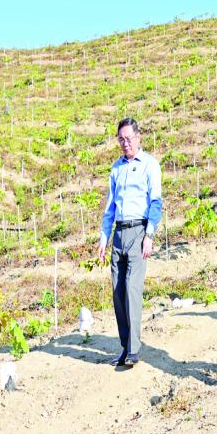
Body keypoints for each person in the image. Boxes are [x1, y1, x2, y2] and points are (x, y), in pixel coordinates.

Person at [98, 117, 162, 366]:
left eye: (129, 138)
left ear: (138, 137)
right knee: (118, 292)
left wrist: (149, 235)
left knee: (132, 289)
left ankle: (134, 350)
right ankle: (125, 347)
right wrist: (104, 238)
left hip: (138, 231)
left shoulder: (150, 165)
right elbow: (109, 208)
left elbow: (155, 202)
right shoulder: (116, 169)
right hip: (119, 232)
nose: (125, 143)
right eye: (121, 139)